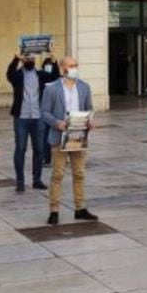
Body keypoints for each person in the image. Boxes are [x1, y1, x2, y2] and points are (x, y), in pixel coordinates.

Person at [41, 56, 99, 225]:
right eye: (71, 65)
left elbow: (89, 109)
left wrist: (90, 120)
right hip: (60, 136)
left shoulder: (84, 87)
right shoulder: (51, 89)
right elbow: (44, 112)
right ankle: (54, 210)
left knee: (79, 173)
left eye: (76, 65)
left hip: (79, 136)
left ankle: (80, 208)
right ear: (62, 68)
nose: (74, 68)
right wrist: (57, 123)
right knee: (58, 174)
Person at [6, 50, 58, 192]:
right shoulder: (17, 76)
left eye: (31, 58)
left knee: (39, 149)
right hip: (21, 118)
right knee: (20, 149)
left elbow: (55, 76)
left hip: (38, 117)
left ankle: (37, 180)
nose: (29, 60)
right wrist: (15, 59)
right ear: (23, 60)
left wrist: (53, 61)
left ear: (35, 60)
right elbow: (9, 74)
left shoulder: (40, 75)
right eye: (26, 58)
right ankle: (20, 181)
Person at [39, 55, 60, 166]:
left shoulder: (57, 78)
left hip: (57, 110)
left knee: (59, 133)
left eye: (50, 65)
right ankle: (46, 158)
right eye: (47, 65)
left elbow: (55, 75)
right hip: (46, 110)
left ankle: (62, 156)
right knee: (45, 135)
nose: (48, 67)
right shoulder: (41, 76)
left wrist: (55, 61)